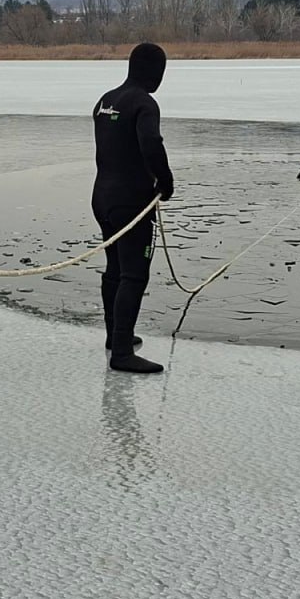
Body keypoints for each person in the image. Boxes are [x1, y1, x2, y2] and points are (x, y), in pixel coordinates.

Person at [92, 42, 174, 374]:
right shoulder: (145, 103)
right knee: (133, 274)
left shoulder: (105, 101)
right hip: (132, 203)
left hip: (102, 199)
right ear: (155, 72)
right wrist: (165, 181)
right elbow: (150, 143)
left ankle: (116, 337)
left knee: (115, 268)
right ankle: (123, 353)